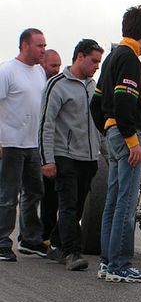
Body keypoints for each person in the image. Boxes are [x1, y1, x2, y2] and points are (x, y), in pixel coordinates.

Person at [90, 5, 141, 282]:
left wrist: (107, 131)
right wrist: (130, 140)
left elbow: (96, 103)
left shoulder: (111, 58)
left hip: (111, 134)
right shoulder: (129, 59)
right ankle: (120, 265)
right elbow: (125, 100)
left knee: (112, 202)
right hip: (125, 136)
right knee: (126, 204)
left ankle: (107, 263)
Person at [39, 39, 105, 271]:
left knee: (77, 206)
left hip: (88, 157)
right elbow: (46, 124)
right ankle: (72, 252)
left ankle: (56, 244)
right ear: (79, 57)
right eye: (93, 60)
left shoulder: (93, 86)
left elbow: (98, 122)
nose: (96, 65)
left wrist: (100, 151)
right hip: (63, 154)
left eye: (99, 61)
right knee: (67, 205)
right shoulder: (57, 85)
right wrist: (47, 160)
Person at [0, 28, 48, 262]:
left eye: (44, 45)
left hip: (32, 145)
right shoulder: (6, 71)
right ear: (25, 45)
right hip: (10, 144)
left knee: (34, 192)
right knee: (8, 197)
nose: (43, 50)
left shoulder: (39, 72)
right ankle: (1, 242)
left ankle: (30, 240)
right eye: (40, 46)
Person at [40, 49, 62, 244]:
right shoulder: (39, 85)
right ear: (42, 64)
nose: (57, 69)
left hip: (52, 149)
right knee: (34, 196)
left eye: (59, 66)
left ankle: (46, 235)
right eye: (53, 66)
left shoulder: (58, 86)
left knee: (51, 197)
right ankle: (32, 237)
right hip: (33, 148)